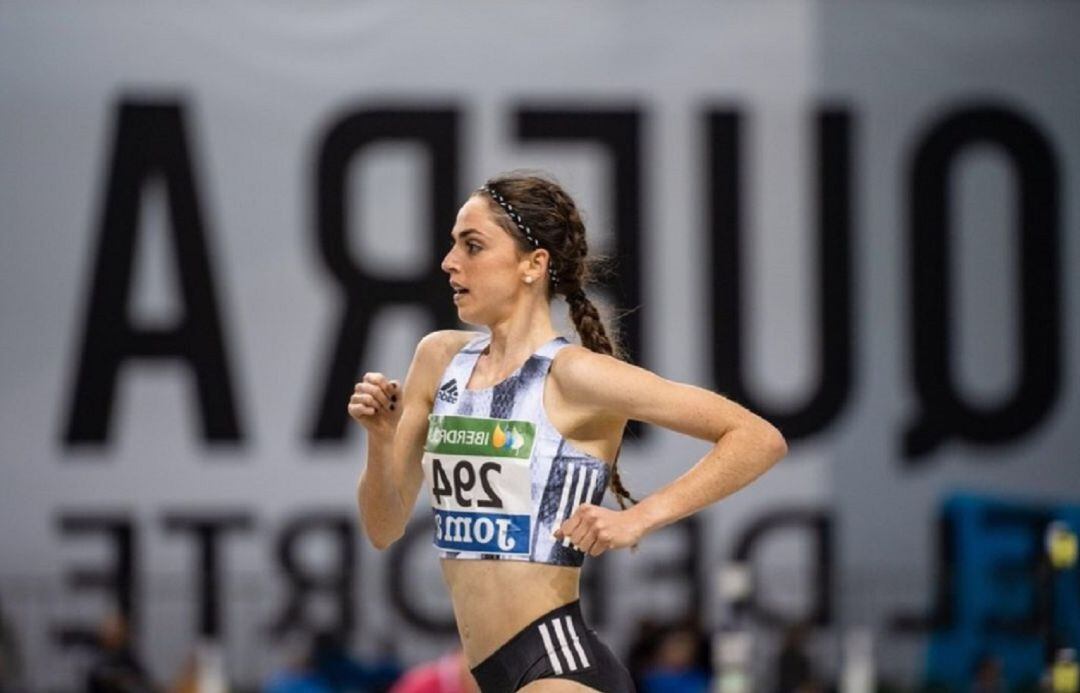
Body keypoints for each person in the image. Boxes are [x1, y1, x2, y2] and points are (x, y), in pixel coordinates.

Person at [349, 171, 787, 692]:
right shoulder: (439, 359)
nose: (449, 262)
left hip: (557, 667)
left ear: (533, 265)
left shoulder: (575, 375)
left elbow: (757, 437)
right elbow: (383, 528)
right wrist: (380, 438)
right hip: (490, 673)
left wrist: (641, 517)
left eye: (472, 246)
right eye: (452, 245)